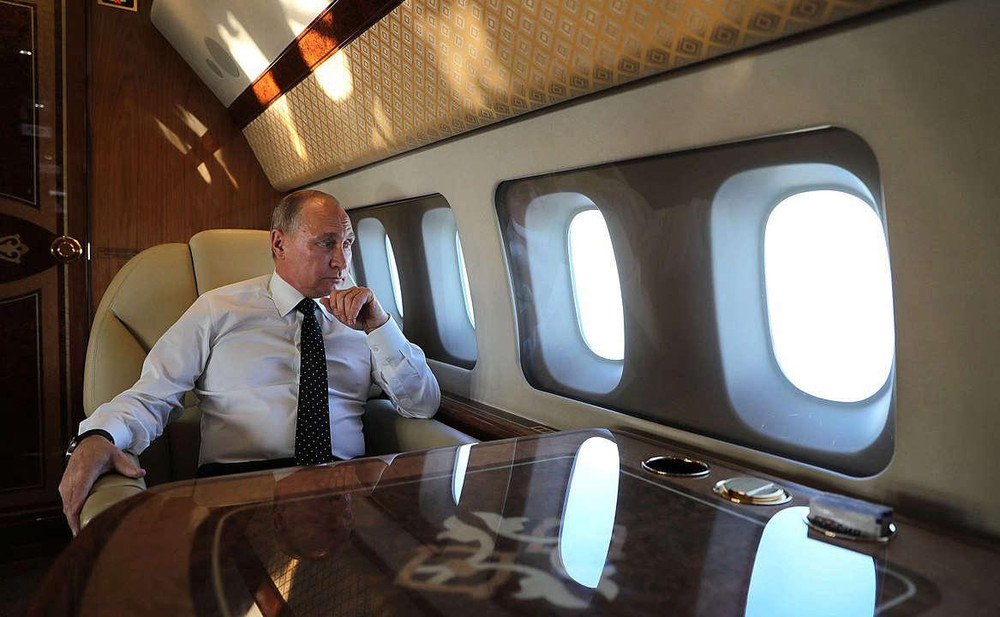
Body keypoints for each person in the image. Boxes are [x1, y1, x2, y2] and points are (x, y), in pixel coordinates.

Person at [58, 189, 440, 535]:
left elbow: (422, 404)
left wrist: (380, 326)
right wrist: (98, 436)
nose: (342, 261)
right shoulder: (218, 309)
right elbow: (154, 394)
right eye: (327, 243)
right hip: (237, 492)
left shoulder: (364, 318)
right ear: (279, 243)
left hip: (341, 492)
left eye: (348, 243)